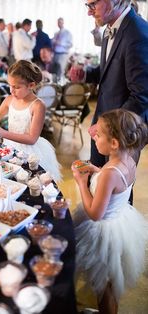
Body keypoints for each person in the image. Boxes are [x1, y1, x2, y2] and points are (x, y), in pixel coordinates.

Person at [72, 109, 148, 314]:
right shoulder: (130, 158)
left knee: (103, 287)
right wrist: (97, 172)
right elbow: (118, 185)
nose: (94, 137)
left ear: (114, 143)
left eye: (99, 135)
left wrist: (81, 182)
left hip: (102, 233)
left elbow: (95, 213)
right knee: (110, 284)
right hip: (121, 223)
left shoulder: (109, 172)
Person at [69, 0, 148, 168]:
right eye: (87, 6)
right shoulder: (108, 29)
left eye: (93, 5)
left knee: (117, 191)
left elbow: (141, 95)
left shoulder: (139, 33)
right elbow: (110, 70)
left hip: (121, 134)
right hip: (101, 124)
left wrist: (108, 126)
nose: (89, 12)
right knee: (97, 181)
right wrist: (85, 74)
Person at [0, 60, 61, 182]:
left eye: (17, 87)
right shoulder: (9, 100)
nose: (12, 91)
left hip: (30, 152)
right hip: (10, 147)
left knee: (28, 181)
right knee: (8, 179)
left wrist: (2, 133)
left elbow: (32, 139)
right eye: (10, 86)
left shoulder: (38, 106)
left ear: (31, 85)